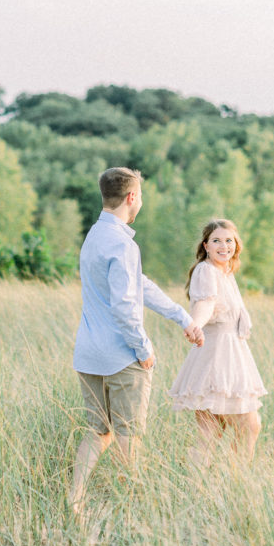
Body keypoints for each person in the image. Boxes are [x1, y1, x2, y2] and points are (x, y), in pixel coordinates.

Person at [69, 167, 202, 514]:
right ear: (131, 198)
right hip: (121, 357)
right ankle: (134, 510)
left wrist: (182, 318)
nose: (140, 200)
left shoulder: (95, 236)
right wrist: (144, 350)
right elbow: (126, 306)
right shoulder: (122, 244)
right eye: (140, 194)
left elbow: (139, 285)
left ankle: (76, 500)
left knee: (98, 432)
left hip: (88, 355)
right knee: (129, 437)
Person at [168, 219, 267, 464]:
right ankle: (236, 480)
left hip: (231, 354)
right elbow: (206, 303)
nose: (224, 246)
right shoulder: (206, 270)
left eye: (228, 241)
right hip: (217, 356)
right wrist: (195, 324)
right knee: (248, 424)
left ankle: (216, 482)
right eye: (216, 241)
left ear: (236, 245)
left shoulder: (225, 272)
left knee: (213, 431)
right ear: (206, 246)